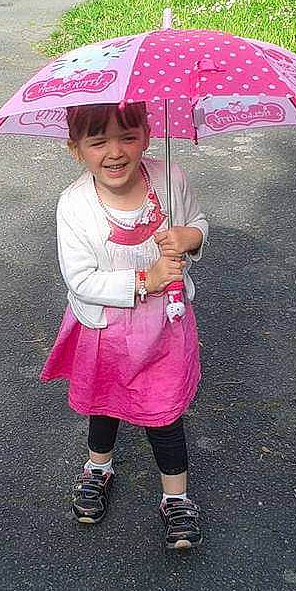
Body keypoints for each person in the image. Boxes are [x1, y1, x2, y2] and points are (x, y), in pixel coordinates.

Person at [40, 101, 208, 550]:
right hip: (105, 331)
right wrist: (145, 279)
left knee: (164, 412)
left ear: (148, 136)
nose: (115, 152)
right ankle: (98, 467)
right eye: (98, 142)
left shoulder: (170, 180)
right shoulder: (75, 205)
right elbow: (80, 278)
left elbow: (198, 222)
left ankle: (177, 497)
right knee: (106, 403)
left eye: (128, 137)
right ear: (76, 149)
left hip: (164, 327)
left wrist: (190, 238)